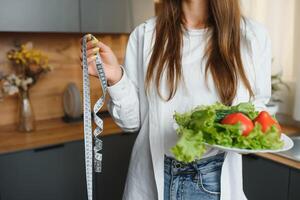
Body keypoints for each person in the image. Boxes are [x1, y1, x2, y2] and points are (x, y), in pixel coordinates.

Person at [81, 0, 271, 199]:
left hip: (215, 185)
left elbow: (256, 112)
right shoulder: (146, 35)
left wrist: (247, 138)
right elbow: (130, 123)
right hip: (152, 181)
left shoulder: (253, 37)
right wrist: (115, 78)